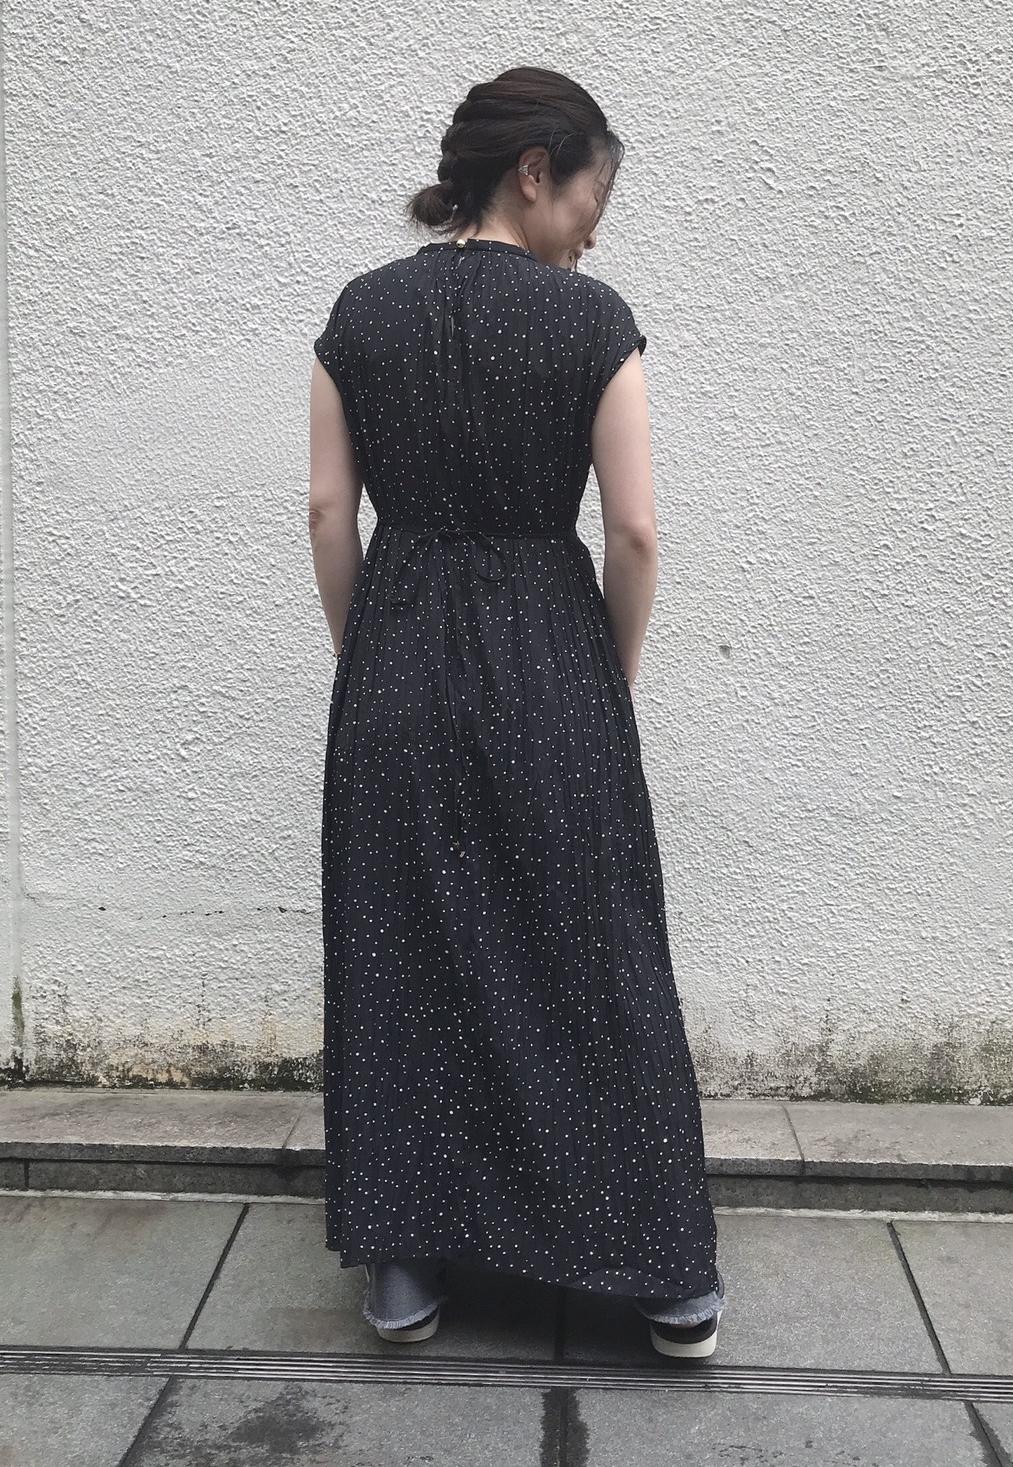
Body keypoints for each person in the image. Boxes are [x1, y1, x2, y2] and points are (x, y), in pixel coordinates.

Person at [308, 65, 725, 1361]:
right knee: (592, 945)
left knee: (403, 947)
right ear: (534, 173)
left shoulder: (358, 314)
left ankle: (405, 1269)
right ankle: (664, 1277)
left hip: (397, 650)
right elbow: (637, 531)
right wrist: (609, 675)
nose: (594, 231)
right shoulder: (593, 322)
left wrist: (369, 654)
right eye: (592, 199)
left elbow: (327, 513)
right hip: (551, 651)